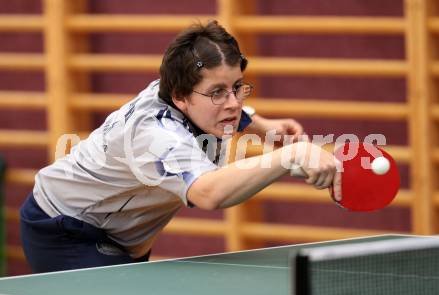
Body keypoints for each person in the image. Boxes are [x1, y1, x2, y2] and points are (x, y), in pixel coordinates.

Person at [20, 20, 339, 273]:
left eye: (238, 87)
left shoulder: (183, 88)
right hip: (65, 228)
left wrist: (263, 125)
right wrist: (290, 155)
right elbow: (208, 193)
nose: (232, 102)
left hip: (123, 232)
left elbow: (223, 105)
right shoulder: (156, 135)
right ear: (180, 97)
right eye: (217, 92)